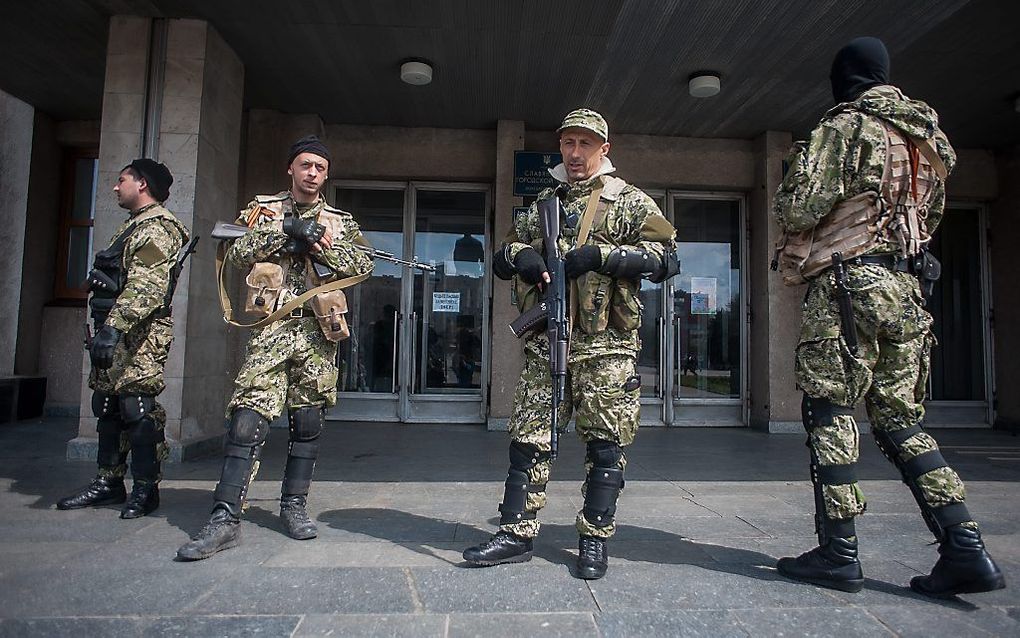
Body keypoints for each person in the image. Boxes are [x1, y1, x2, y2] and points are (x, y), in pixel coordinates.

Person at [772, 37, 1004, 598]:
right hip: (906, 287)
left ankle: (839, 552)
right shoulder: (929, 141)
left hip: (850, 286)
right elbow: (933, 216)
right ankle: (965, 547)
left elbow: (799, 206)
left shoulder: (845, 127)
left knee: (828, 412)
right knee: (901, 420)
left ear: (844, 78)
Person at [462, 109, 677, 579]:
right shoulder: (545, 201)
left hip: (607, 346)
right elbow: (504, 252)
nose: (575, 153)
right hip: (547, 342)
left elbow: (667, 258)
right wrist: (525, 257)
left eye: (584, 144)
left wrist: (606, 256)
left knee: (605, 444)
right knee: (528, 438)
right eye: (567, 144)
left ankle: (595, 539)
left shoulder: (631, 202)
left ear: (605, 148)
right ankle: (515, 532)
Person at [177, 135, 374, 560]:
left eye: (320, 168)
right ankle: (225, 517)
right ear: (291, 168)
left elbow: (363, 263)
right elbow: (234, 252)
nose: (312, 174)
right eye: (305, 165)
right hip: (272, 329)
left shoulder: (340, 220)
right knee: (247, 421)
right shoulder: (263, 210)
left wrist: (320, 246)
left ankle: (294, 506)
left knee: (307, 423)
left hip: (319, 332)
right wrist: (285, 232)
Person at [57, 159, 189, 519]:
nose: (115, 187)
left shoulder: (157, 229)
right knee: (109, 408)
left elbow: (147, 286)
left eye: (122, 180)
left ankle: (146, 489)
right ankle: (109, 482)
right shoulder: (132, 227)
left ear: (142, 184)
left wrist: (114, 328)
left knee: (138, 409)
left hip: (138, 335)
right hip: (114, 331)